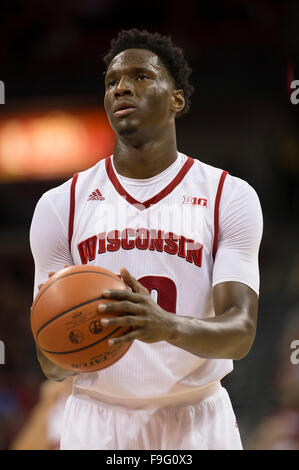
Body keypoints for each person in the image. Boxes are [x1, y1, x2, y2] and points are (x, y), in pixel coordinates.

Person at [29, 28, 263, 450]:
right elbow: (50, 360)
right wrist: (66, 342)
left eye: (140, 76)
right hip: (95, 420)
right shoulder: (58, 205)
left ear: (176, 99)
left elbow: (241, 332)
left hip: (197, 418)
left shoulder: (228, 195)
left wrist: (165, 326)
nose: (121, 87)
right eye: (112, 81)